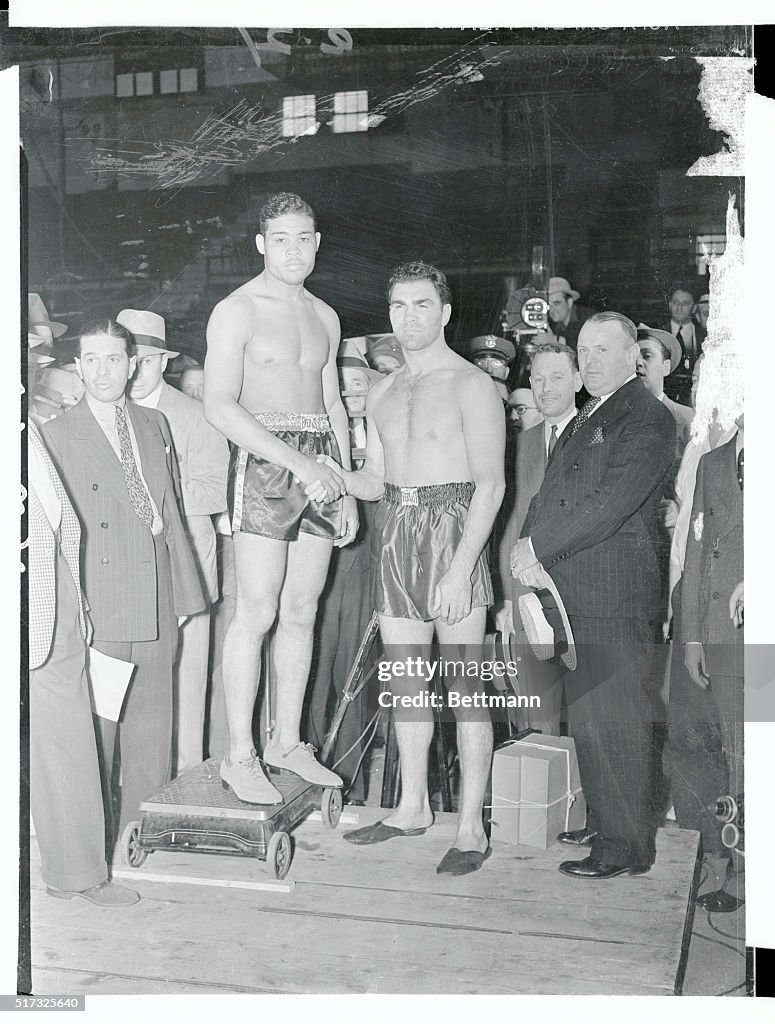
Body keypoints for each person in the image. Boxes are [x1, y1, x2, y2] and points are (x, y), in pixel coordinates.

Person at [317, 260, 505, 875]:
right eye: (399, 306)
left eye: (422, 304)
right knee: (405, 680)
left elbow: (492, 485)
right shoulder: (381, 391)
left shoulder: (473, 385)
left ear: (445, 313)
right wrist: (336, 477)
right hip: (398, 528)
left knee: (465, 685)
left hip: (454, 529)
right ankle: (412, 807)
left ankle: (471, 826)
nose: (409, 317)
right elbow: (377, 478)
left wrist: (461, 567)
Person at [203, 192, 356, 803]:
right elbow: (219, 405)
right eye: (282, 239)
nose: (294, 250)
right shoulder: (236, 309)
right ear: (261, 244)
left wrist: (344, 486)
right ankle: (239, 754)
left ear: (318, 243)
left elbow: (333, 404)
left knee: (301, 609)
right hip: (267, 461)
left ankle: (287, 742)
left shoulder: (326, 316)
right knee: (257, 611)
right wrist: (299, 464)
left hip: (321, 462)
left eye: (304, 238)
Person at [511, 312, 675, 878]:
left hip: (614, 595)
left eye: (604, 349)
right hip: (577, 591)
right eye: (584, 349)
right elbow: (549, 492)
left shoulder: (646, 416)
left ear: (634, 355)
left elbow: (610, 503)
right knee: (590, 717)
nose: (591, 359)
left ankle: (626, 846)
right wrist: (528, 545)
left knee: (616, 717)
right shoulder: (590, 414)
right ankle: (608, 820)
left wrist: (538, 546)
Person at [41, 320, 204, 850]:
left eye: (113, 359)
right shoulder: (56, 435)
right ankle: (98, 841)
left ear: (132, 364)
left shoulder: (154, 423)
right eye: (91, 360)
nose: (102, 371)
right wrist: (75, 609)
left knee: (152, 726)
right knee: (100, 730)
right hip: (101, 599)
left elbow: (171, 511)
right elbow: (57, 536)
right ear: (77, 366)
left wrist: (184, 593)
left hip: (156, 591)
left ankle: (143, 831)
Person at [27, 327, 139, 907]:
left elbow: (57, 520)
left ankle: (77, 872)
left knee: (69, 735)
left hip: (53, 600)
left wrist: (77, 600)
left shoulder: (26, 426)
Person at [123, 308, 230, 774]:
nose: (134, 372)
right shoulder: (109, 414)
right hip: (127, 571)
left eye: (145, 361)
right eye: (128, 361)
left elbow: (219, 488)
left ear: (165, 362)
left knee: (188, 679)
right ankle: (136, 779)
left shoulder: (194, 415)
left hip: (187, 567)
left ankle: (189, 774)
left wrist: (158, 492)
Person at [498, 341, 581, 734]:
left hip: (583, 599)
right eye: (538, 379)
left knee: (588, 718)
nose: (546, 388)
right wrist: (507, 600)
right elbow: (511, 523)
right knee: (538, 719)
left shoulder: (602, 438)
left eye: (557, 377)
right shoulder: (520, 446)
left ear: (578, 381)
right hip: (529, 600)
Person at [680, 418, 744, 911]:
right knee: (735, 751)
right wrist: (693, 635)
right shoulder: (712, 463)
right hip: (723, 632)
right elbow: (697, 550)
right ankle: (739, 871)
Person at [636, 324, 693, 459]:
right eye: (632, 358)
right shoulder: (612, 418)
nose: (638, 363)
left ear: (666, 367)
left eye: (647, 355)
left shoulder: (689, 420)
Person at [547, 277, 588, 350]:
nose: (551, 310)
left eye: (556, 303)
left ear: (569, 302)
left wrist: (556, 341)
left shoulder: (587, 319)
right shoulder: (554, 323)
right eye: (548, 305)